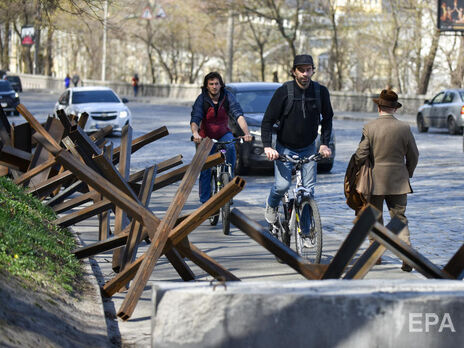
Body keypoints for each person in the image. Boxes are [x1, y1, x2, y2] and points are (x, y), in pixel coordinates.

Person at [261, 54, 333, 238]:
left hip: (308, 147)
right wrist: (268, 146)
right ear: (294, 72)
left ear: (313, 71)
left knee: (308, 191)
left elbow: (328, 119)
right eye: (301, 70)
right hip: (285, 146)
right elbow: (268, 120)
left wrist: (324, 144)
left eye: (308, 69)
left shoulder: (320, 92)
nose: (305, 74)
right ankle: (271, 204)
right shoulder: (284, 91)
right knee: (282, 185)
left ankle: (307, 232)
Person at [354, 89, 419, 272]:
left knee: (375, 218)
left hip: (375, 181)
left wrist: (358, 165)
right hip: (399, 180)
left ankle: (376, 255)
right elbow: (414, 155)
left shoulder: (370, 127)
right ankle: (407, 255)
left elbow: (361, 153)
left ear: (378, 107)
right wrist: (408, 172)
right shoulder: (404, 128)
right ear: (395, 109)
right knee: (399, 218)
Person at [190, 71, 252, 203]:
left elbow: (238, 115)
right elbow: (195, 118)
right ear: (206, 86)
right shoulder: (202, 99)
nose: (214, 86)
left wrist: (246, 133)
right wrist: (195, 133)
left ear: (221, 85)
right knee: (206, 168)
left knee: (230, 148)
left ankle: (229, 183)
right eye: (211, 84)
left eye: (216, 84)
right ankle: (205, 201)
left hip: (224, 133)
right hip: (205, 137)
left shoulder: (228, 96)